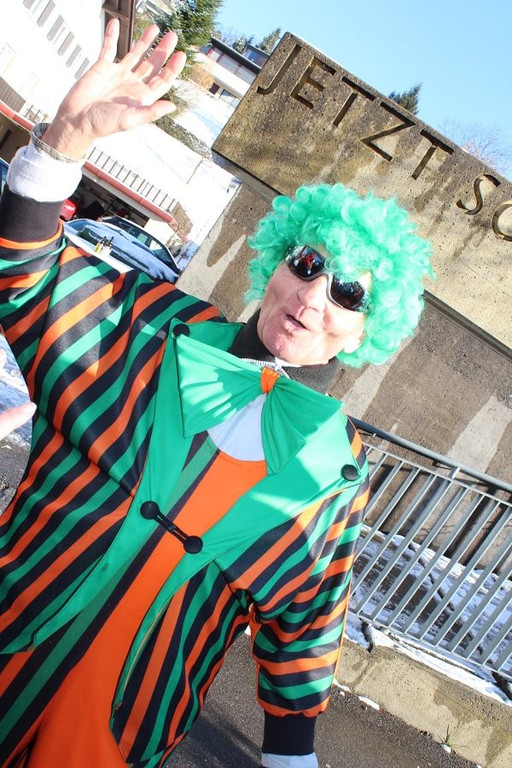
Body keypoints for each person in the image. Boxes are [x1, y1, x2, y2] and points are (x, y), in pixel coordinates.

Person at [0, 20, 433, 768]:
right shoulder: (153, 327)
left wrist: (290, 755)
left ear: (369, 328)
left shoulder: (333, 469)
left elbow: (305, 625)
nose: (314, 296)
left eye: (349, 292)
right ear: (276, 262)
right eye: (307, 263)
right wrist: (62, 145)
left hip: (122, 723)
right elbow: (27, 277)